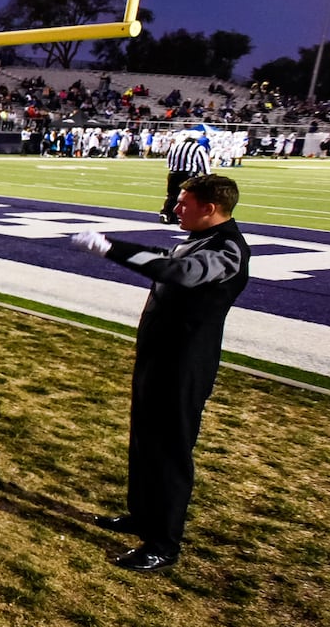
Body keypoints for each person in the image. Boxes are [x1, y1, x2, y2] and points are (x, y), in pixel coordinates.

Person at [70, 175, 250, 572]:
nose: (176, 208)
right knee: (145, 438)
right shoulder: (201, 239)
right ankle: (143, 515)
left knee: (170, 450)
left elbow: (179, 273)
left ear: (210, 207)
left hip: (185, 362)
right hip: (161, 355)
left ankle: (163, 542)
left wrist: (110, 251)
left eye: (184, 203)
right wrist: (116, 244)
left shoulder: (229, 249)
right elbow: (164, 256)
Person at [160, 129, 210, 223]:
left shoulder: (176, 146)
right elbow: (203, 162)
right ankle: (186, 216)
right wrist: (207, 175)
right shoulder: (197, 147)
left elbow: (169, 160)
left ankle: (166, 214)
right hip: (188, 175)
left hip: (173, 174)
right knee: (189, 197)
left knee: (172, 196)